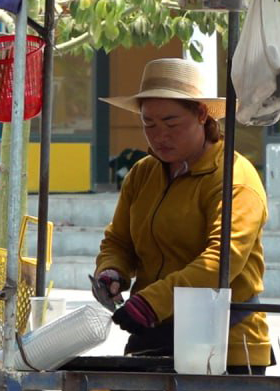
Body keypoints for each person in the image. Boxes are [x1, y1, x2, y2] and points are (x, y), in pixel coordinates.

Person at [93, 57, 270, 371]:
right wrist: (112, 270)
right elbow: (118, 241)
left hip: (225, 346)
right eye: (149, 124)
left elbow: (221, 261)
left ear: (202, 115)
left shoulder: (233, 178)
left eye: (172, 123)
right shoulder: (142, 174)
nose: (160, 135)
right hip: (150, 336)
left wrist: (153, 301)